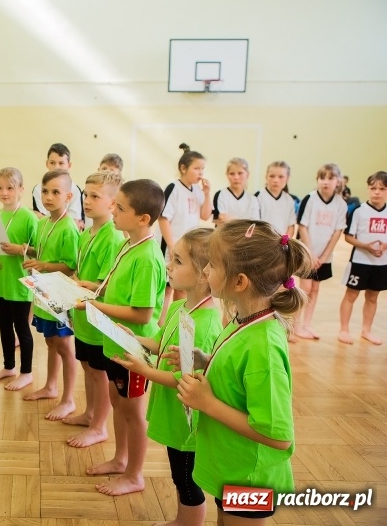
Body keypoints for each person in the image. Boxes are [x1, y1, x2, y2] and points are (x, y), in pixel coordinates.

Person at [176, 219, 313, 524]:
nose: (205, 270)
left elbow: (278, 436)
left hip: (250, 478)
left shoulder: (264, 346)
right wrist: (206, 360)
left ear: (239, 282)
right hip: (232, 464)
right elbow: (238, 374)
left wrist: (207, 403)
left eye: (212, 264)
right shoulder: (244, 319)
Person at [115, 228, 221, 526]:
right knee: (178, 474)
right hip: (172, 411)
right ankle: (180, 520)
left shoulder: (206, 323)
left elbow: (188, 379)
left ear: (204, 275)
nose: (168, 266)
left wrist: (146, 371)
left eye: (178, 261)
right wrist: (133, 338)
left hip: (187, 420)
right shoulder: (178, 306)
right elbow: (160, 343)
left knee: (187, 480)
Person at [75, 179, 166, 496]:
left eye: (121, 207)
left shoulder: (148, 257)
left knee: (133, 412)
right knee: (117, 402)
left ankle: (135, 475)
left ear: (143, 218)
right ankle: (120, 459)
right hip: (115, 341)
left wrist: (95, 305)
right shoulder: (127, 244)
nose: (113, 211)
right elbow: (115, 288)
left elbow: (142, 314)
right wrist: (91, 288)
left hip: (132, 347)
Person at [64, 171, 124, 448]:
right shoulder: (87, 232)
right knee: (88, 367)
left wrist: (81, 286)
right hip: (83, 316)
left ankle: (99, 426)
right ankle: (90, 414)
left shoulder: (111, 237)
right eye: (85, 195)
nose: (86, 201)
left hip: (97, 318)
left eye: (94, 196)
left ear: (112, 203)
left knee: (99, 374)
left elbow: (105, 283)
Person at [22, 169, 80, 420]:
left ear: (68, 196)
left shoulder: (69, 227)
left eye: (56, 192)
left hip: (60, 297)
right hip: (43, 293)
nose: (48, 197)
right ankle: (50, 386)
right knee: (50, 342)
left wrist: (44, 265)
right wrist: (31, 259)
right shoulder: (43, 223)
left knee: (64, 347)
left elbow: (71, 266)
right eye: (45, 191)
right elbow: (41, 252)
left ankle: (68, 400)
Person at [0, 167, 38, 389]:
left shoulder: (29, 217)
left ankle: (27, 372)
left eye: (10, 188)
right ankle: (9, 367)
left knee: (22, 328)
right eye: (0, 188)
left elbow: (39, 251)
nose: (4, 192)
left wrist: (20, 249)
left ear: (21, 189)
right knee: (3, 326)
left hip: (19, 282)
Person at [159, 143, 212, 324]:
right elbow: (163, 218)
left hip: (188, 249)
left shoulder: (197, 190)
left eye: (202, 169)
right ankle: (161, 324)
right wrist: (172, 246)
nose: (200, 173)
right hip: (171, 247)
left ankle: (176, 324)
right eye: (197, 168)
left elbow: (205, 215)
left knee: (182, 289)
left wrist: (207, 193)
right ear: (183, 168)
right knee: (166, 289)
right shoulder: (173, 188)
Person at [293, 164, 347, 340]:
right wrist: (310, 253)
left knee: (315, 289)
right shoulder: (310, 199)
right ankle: (294, 326)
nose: (326, 182)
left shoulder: (341, 204)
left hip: (324, 256)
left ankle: (307, 325)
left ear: (338, 181)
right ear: (317, 180)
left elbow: (337, 231)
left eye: (330, 178)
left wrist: (324, 256)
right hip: (307, 253)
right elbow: (302, 226)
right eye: (322, 178)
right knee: (305, 288)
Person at [338, 171, 387, 345]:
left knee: (373, 297)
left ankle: (366, 330)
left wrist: (384, 246)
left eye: (382, 189)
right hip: (360, 262)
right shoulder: (359, 211)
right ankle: (344, 329)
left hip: (381, 263)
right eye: (373, 188)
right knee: (351, 295)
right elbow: (348, 236)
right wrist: (366, 246)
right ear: (368, 189)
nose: (377, 192)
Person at [31, 143, 85, 229]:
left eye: (61, 163)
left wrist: (47, 219)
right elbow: (40, 221)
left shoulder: (75, 189)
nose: (56, 167)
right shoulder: (38, 189)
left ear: (69, 165)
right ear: (47, 163)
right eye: (52, 163)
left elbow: (75, 223)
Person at [255, 161, 297, 236]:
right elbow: (254, 224)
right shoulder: (258, 197)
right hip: (263, 239)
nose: (276, 180)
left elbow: (291, 226)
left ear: (287, 178)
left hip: (282, 241)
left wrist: (285, 240)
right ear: (266, 177)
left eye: (281, 177)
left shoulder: (289, 200)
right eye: (272, 176)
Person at [213, 157, 259, 225]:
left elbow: (255, 224)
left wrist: (231, 219)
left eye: (240, 173)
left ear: (247, 174)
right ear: (227, 175)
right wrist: (245, 220)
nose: (236, 177)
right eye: (232, 174)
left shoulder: (253, 199)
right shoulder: (220, 195)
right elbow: (219, 221)